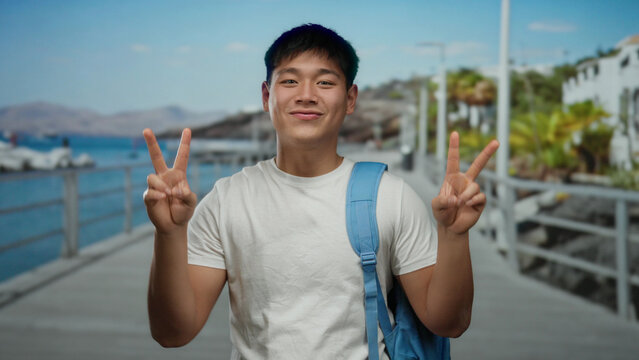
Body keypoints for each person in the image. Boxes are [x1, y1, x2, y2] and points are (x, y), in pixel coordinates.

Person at [143, 24, 499, 359]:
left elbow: (449, 322)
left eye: (325, 82)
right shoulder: (228, 199)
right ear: (267, 95)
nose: (307, 95)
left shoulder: (391, 197)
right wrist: (170, 233)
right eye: (290, 80)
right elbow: (172, 332)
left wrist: (453, 236)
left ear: (350, 98)